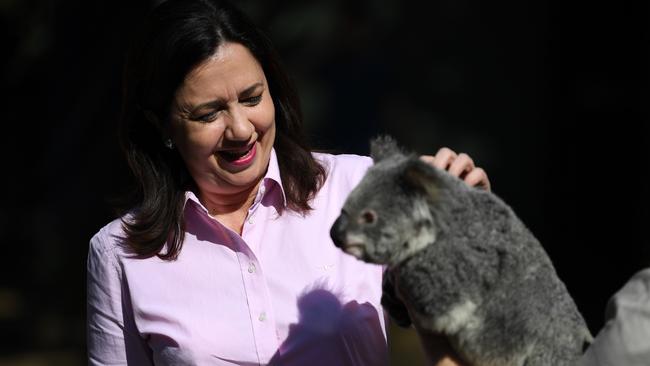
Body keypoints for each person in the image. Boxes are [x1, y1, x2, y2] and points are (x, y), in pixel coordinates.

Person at [85, 0, 490, 365]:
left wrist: (468, 230)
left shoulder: (356, 188)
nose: (241, 129)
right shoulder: (119, 255)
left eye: (251, 98)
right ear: (163, 126)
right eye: (209, 114)